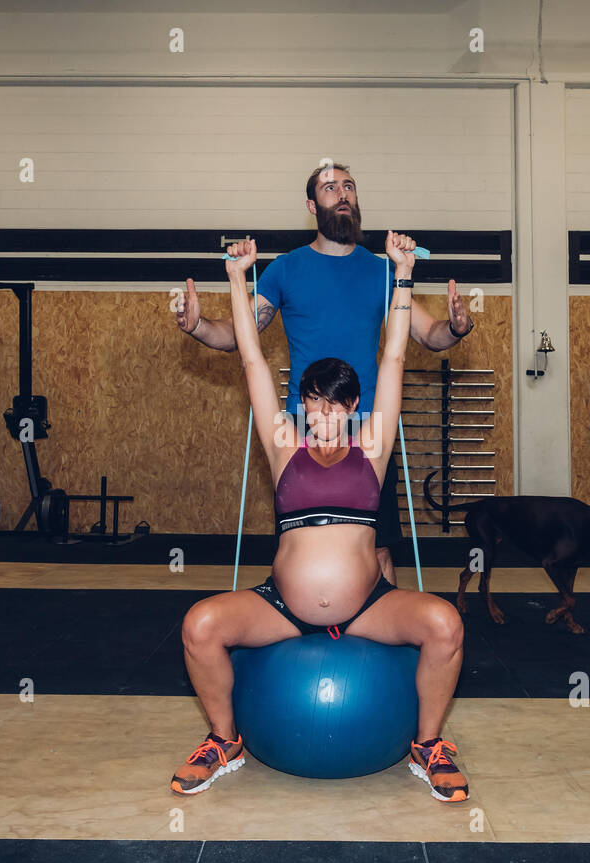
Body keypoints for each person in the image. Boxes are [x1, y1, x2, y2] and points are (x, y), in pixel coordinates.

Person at [171, 233, 468, 802]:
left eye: (335, 404)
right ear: (302, 403)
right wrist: (238, 278)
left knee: (446, 626)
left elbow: (397, 356)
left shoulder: (373, 448)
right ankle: (223, 740)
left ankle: (428, 745)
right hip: (281, 607)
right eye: (313, 401)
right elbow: (253, 360)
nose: (324, 415)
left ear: (353, 406)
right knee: (199, 625)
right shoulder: (284, 444)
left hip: (365, 608)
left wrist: (402, 276)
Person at [174, 162, 475, 585]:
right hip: (304, 425)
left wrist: (458, 327)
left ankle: (381, 632)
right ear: (312, 206)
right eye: (331, 188)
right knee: (300, 542)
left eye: (349, 186)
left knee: (377, 546)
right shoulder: (285, 269)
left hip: (369, 426)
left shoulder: (382, 269)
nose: (343, 194)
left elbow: (429, 335)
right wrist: (199, 326)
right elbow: (238, 341)